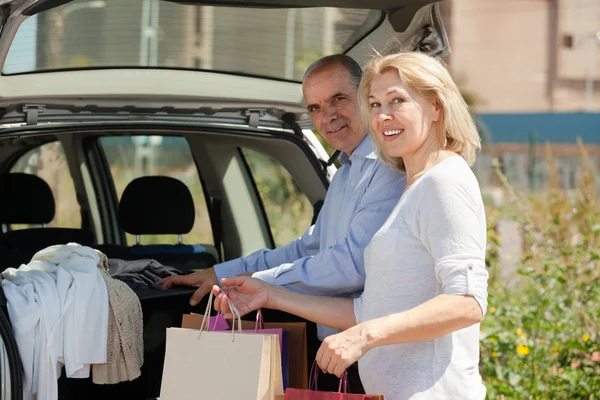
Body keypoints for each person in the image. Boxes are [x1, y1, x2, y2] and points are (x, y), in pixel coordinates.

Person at [211, 51, 489, 400]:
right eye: (374, 104)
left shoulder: (444, 181)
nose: (383, 116)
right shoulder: (412, 185)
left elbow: (467, 302)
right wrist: (270, 294)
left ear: (436, 106)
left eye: (397, 100)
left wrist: (366, 335)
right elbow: (366, 311)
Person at [158, 54, 406, 392]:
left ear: (366, 95)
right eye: (315, 107)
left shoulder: (386, 169)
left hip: (372, 359)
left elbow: (351, 265)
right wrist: (223, 273)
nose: (327, 115)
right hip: (338, 358)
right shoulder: (347, 171)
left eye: (338, 98)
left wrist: (260, 284)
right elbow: (309, 246)